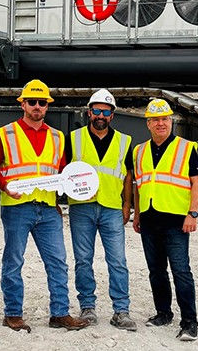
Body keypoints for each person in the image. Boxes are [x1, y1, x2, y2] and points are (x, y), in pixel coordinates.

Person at [0, 79, 89, 332]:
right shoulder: (4, 133)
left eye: (42, 103)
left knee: (58, 262)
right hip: (17, 208)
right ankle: (12, 313)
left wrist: (62, 197)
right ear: (23, 104)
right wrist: (5, 187)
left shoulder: (58, 137)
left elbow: (61, 174)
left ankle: (59, 313)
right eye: (32, 102)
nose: (37, 106)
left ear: (47, 106)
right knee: (13, 261)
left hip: (48, 209)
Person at [132, 98, 198, 342]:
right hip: (150, 219)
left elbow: (197, 183)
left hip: (176, 220)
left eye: (165, 119)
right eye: (156, 120)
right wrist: (137, 214)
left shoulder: (186, 148)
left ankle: (189, 323)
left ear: (170, 121)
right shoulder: (139, 151)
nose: (161, 123)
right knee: (156, 271)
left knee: (181, 271)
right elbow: (139, 185)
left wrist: (192, 213)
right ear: (148, 124)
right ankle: (163, 313)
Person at [66, 89, 137, 331]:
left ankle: (121, 311)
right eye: (96, 110)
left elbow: (128, 176)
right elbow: (62, 171)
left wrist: (127, 205)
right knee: (83, 260)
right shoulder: (74, 138)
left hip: (111, 208)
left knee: (117, 261)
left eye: (105, 111)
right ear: (89, 112)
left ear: (112, 115)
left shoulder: (124, 142)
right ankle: (87, 307)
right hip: (82, 208)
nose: (100, 115)